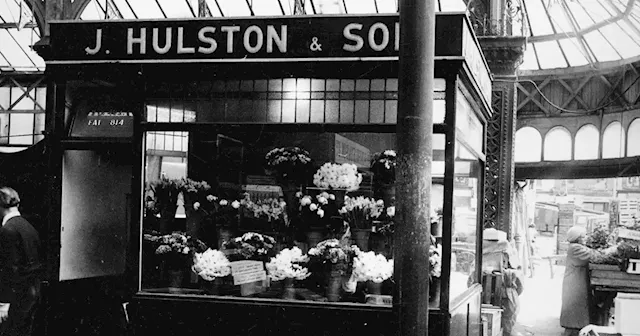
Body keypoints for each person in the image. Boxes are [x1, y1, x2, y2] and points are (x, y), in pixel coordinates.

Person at [0, 187, 44, 336]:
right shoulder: (29, 227)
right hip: (33, 293)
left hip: (16, 297)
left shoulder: (7, 230)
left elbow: (10, 269)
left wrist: (4, 304)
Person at [560, 226, 602, 336]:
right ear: (577, 238)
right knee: (574, 314)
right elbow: (592, 255)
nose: (585, 238)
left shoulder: (576, 247)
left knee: (576, 313)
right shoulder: (575, 248)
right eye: (583, 236)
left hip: (576, 282)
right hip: (574, 284)